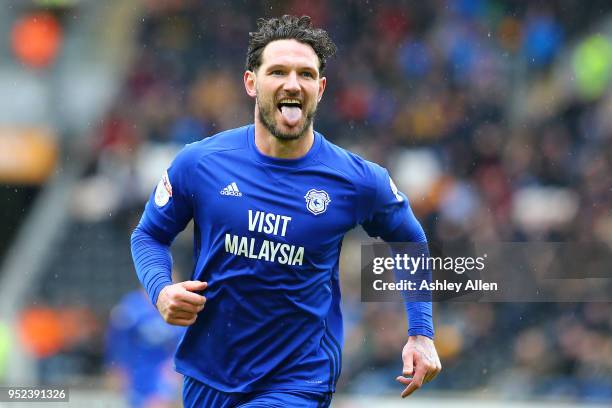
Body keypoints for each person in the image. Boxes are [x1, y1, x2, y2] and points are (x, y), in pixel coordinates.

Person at [131, 15, 441, 407]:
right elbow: (149, 235)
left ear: (320, 88)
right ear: (251, 82)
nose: (293, 84)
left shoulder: (358, 180)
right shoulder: (200, 163)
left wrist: (421, 333)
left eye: (306, 74)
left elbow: (410, 239)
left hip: (298, 379)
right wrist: (160, 290)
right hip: (208, 374)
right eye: (278, 71)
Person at [105, 289, 184, 408]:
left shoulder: (179, 307)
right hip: (137, 369)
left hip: (164, 370)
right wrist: (117, 367)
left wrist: (175, 372)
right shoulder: (131, 306)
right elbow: (117, 340)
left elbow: (182, 343)